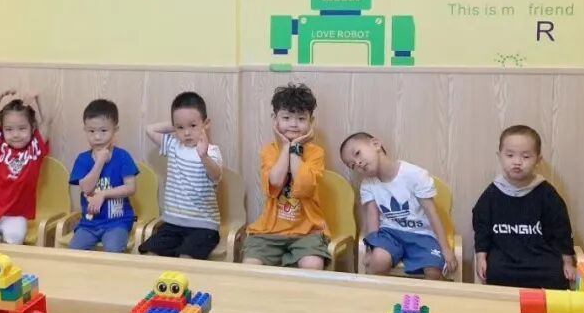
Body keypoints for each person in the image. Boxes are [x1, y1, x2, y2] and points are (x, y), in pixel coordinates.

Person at [340, 132, 455, 278]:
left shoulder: (416, 175)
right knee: (378, 261)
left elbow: (432, 214)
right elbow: (372, 218)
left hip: (421, 234)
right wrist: (371, 248)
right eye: (352, 165)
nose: (358, 163)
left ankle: (417, 294)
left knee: (433, 271)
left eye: (357, 153)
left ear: (376, 144)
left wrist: (446, 249)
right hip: (390, 234)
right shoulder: (367, 185)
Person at [473, 125, 575, 289]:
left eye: (526, 156)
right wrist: (480, 257)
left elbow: (561, 230)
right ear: (500, 156)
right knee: (496, 270)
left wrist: (568, 261)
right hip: (504, 257)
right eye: (510, 155)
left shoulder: (547, 194)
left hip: (540, 257)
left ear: (538, 160)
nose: (517, 162)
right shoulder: (492, 194)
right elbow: (481, 228)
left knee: (555, 273)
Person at [243, 84, 330, 269]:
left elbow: (304, 187)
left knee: (313, 265)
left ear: (311, 121)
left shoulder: (316, 153)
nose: (293, 124)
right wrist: (285, 147)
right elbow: (275, 182)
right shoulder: (269, 151)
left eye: (301, 118)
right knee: (251, 265)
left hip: (308, 231)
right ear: (275, 120)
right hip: (270, 229)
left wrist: (295, 147)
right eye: (286, 118)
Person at [138, 91, 223, 259]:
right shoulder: (173, 145)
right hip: (172, 225)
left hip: (204, 227)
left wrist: (203, 156)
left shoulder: (211, 151)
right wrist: (177, 126)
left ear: (206, 124)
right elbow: (149, 129)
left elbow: (216, 176)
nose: (187, 133)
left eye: (193, 125)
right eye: (181, 127)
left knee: (185, 258)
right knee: (149, 254)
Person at [0, 89, 50, 245]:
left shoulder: (36, 147)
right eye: (9, 129)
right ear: (2, 130)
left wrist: (38, 96)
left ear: (32, 128)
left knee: (14, 239)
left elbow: (47, 120)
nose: (16, 134)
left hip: (16, 212)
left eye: (22, 128)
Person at [68, 99, 138, 252]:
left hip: (117, 222)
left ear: (115, 130)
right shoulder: (83, 159)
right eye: (91, 131)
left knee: (113, 249)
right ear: (85, 130)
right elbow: (86, 188)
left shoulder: (123, 156)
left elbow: (130, 188)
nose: (97, 137)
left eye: (103, 131)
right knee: (74, 250)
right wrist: (100, 161)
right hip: (89, 224)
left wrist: (103, 194)